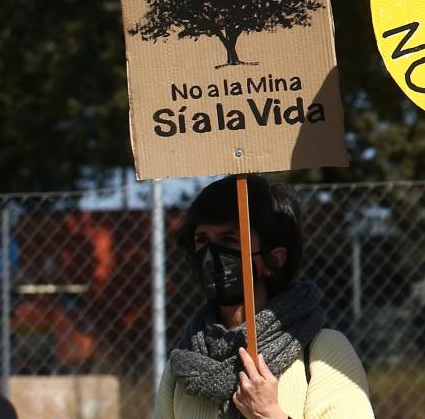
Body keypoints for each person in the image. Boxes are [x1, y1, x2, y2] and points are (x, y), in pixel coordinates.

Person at [155, 176, 373, 419]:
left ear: (274, 259)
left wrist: (269, 414)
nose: (211, 255)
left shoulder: (322, 351)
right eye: (202, 240)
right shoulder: (183, 366)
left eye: (229, 240)